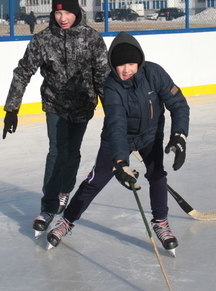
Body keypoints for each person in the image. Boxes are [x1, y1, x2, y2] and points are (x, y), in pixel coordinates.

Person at [46, 31, 190, 256]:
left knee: (157, 174)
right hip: (117, 138)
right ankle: (67, 221)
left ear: (139, 61)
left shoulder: (155, 74)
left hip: (151, 134)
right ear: (113, 65)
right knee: (95, 181)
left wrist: (179, 136)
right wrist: (121, 161)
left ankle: (161, 222)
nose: (126, 70)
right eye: (121, 65)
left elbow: (179, 104)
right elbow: (117, 125)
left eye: (131, 63)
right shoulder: (111, 86)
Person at [2, 0, 108, 237]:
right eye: (58, 13)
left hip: (83, 106)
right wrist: (12, 109)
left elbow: (103, 78)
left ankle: (65, 191)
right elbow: (23, 72)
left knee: (72, 153)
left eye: (68, 13)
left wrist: (114, 112)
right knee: (56, 152)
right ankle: (48, 207)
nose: (63, 18)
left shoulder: (92, 39)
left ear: (76, 11)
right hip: (55, 105)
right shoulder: (43, 40)